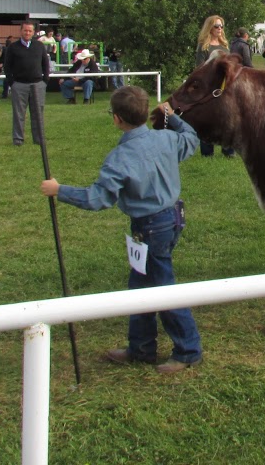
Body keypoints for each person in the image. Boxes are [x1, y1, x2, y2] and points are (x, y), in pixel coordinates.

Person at [40, 86, 203, 374]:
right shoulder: (166, 138)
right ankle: (141, 348)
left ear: (117, 119)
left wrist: (59, 190)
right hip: (172, 220)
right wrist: (171, 115)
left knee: (164, 290)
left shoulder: (120, 157)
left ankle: (189, 350)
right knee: (140, 285)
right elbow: (191, 139)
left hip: (151, 227)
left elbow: (97, 198)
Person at [3, 19, 51, 145]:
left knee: (38, 114)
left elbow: (46, 64)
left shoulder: (39, 46)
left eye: (30, 31)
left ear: (33, 32)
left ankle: (39, 139)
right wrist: (12, 82)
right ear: (21, 31)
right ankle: (18, 139)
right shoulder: (13, 47)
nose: (27, 33)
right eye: (25, 30)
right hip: (19, 85)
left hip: (38, 85)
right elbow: (7, 66)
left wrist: (45, 81)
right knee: (19, 114)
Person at [195, 15, 234, 157]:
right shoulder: (203, 46)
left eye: (221, 26)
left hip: (226, 87)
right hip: (209, 88)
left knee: (228, 120)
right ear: (209, 28)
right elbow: (199, 69)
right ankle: (207, 151)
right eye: (216, 26)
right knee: (208, 120)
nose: (219, 29)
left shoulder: (224, 45)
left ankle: (228, 150)